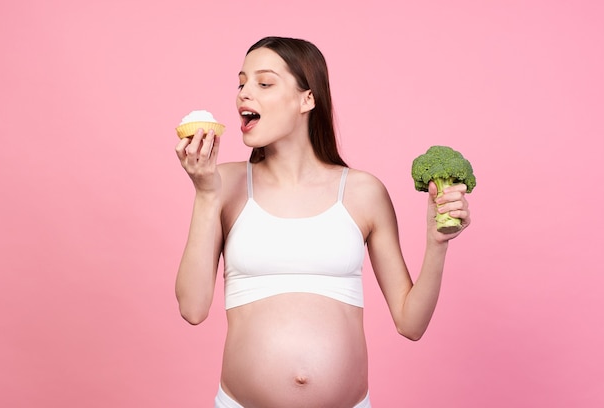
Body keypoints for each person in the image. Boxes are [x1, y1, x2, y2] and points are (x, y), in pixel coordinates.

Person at [174, 36, 471, 408]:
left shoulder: (363, 192)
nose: (243, 94)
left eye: (264, 83)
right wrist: (204, 193)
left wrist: (437, 243)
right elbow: (193, 308)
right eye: (241, 83)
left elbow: (411, 324)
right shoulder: (224, 184)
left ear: (307, 99)